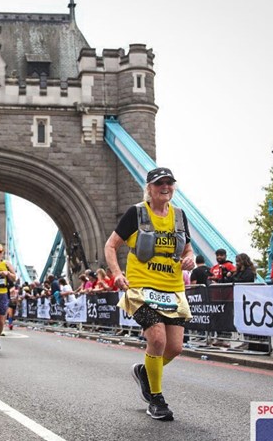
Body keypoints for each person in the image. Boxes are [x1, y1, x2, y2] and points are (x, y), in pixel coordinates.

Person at [104, 167, 195, 421]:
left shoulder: (179, 216)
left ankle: (145, 372)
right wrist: (117, 273)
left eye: (169, 183)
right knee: (156, 339)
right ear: (149, 188)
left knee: (174, 348)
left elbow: (188, 250)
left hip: (172, 290)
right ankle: (156, 399)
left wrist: (190, 259)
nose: (165, 187)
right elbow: (111, 245)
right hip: (142, 288)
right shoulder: (136, 213)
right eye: (159, 183)